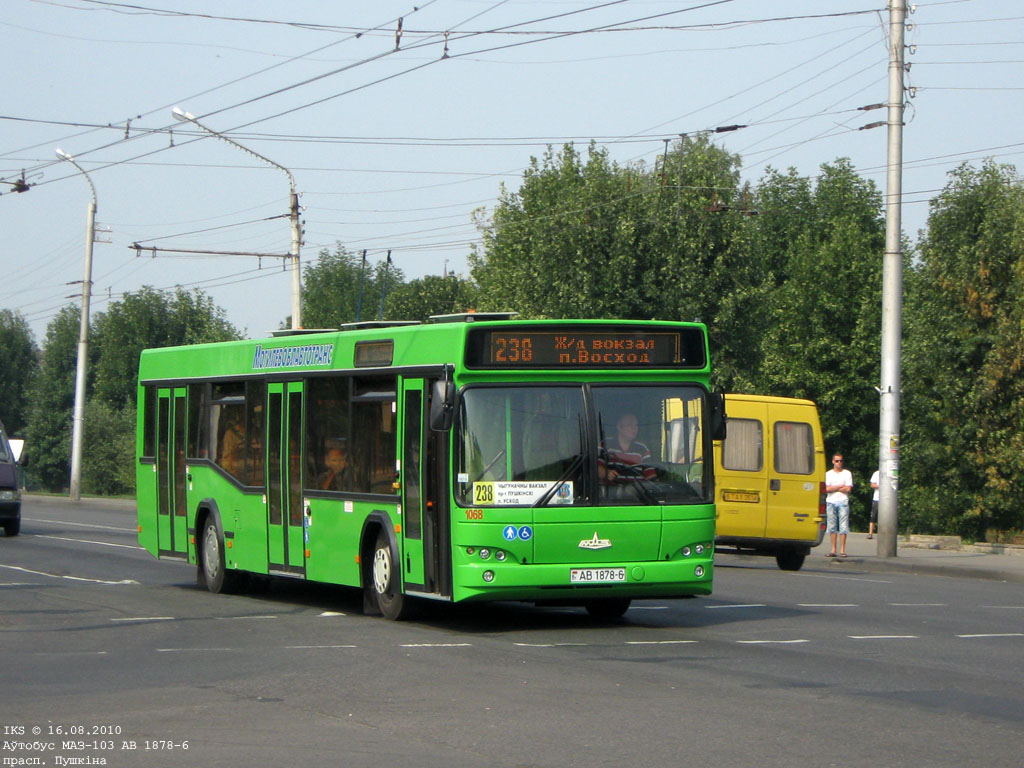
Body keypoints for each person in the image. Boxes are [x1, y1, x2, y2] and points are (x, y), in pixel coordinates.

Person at [600, 412, 656, 484]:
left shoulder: (642, 449)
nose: (634, 428)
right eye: (629, 425)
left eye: (636, 425)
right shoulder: (606, 445)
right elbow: (596, 468)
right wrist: (607, 473)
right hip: (612, 493)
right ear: (619, 427)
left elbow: (650, 475)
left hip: (638, 493)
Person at [825, 453, 853, 557]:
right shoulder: (828, 474)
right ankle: (833, 549)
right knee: (832, 526)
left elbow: (848, 489)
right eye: (837, 461)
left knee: (843, 526)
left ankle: (842, 550)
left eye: (841, 461)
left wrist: (834, 488)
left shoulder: (847, 473)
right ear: (833, 461)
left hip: (843, 501)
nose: (839, 463)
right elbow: (827, 489)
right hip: (831, 501)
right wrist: (840, 486)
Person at [868, 467, 880, 539]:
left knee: (885, 516)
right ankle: (870, 533)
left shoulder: (889, 473)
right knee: (873, 516)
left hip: (887, 499)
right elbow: (872, 485)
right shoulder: (876, 473)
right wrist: (880, 486)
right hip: (877, 498)